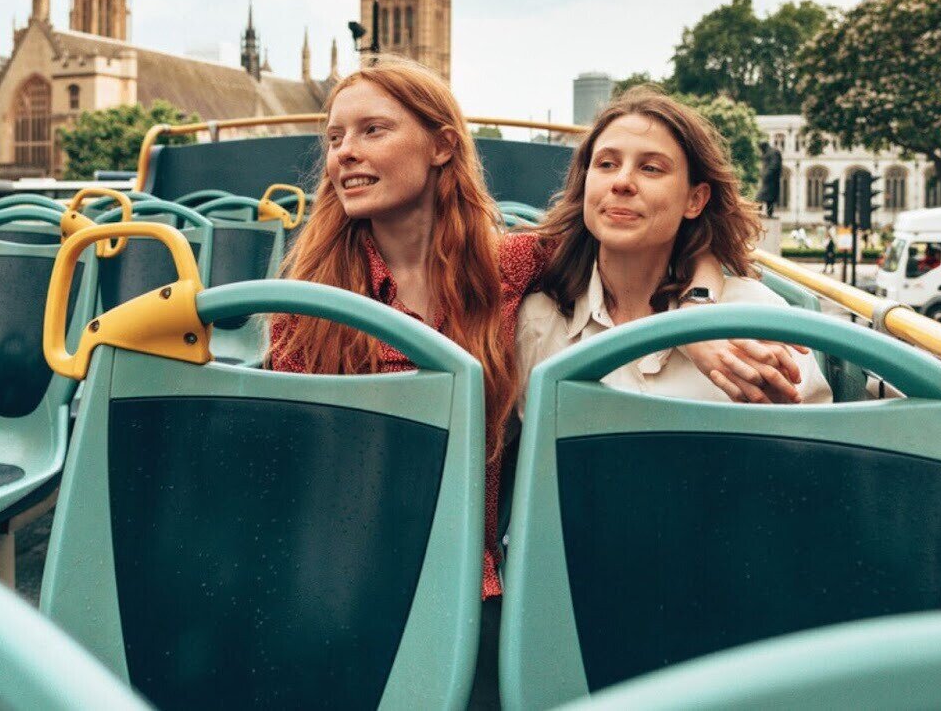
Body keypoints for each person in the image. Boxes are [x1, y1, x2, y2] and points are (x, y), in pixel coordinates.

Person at [268, 59, 802, 705]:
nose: (346, 152)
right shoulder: (308, 306)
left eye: (372, 130)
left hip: (477, 588)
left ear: (441, 145)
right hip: (348, 584)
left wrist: (694, 318)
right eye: (334, 139)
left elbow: (621, 245)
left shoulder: (507, 271)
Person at [517, 86, 830, 406]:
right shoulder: (536, 321)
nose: (621, 182)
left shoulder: (757, 316)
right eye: (606, 164)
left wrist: (783, 417)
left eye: (651, 168)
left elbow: (818, 442)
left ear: (695, 200)